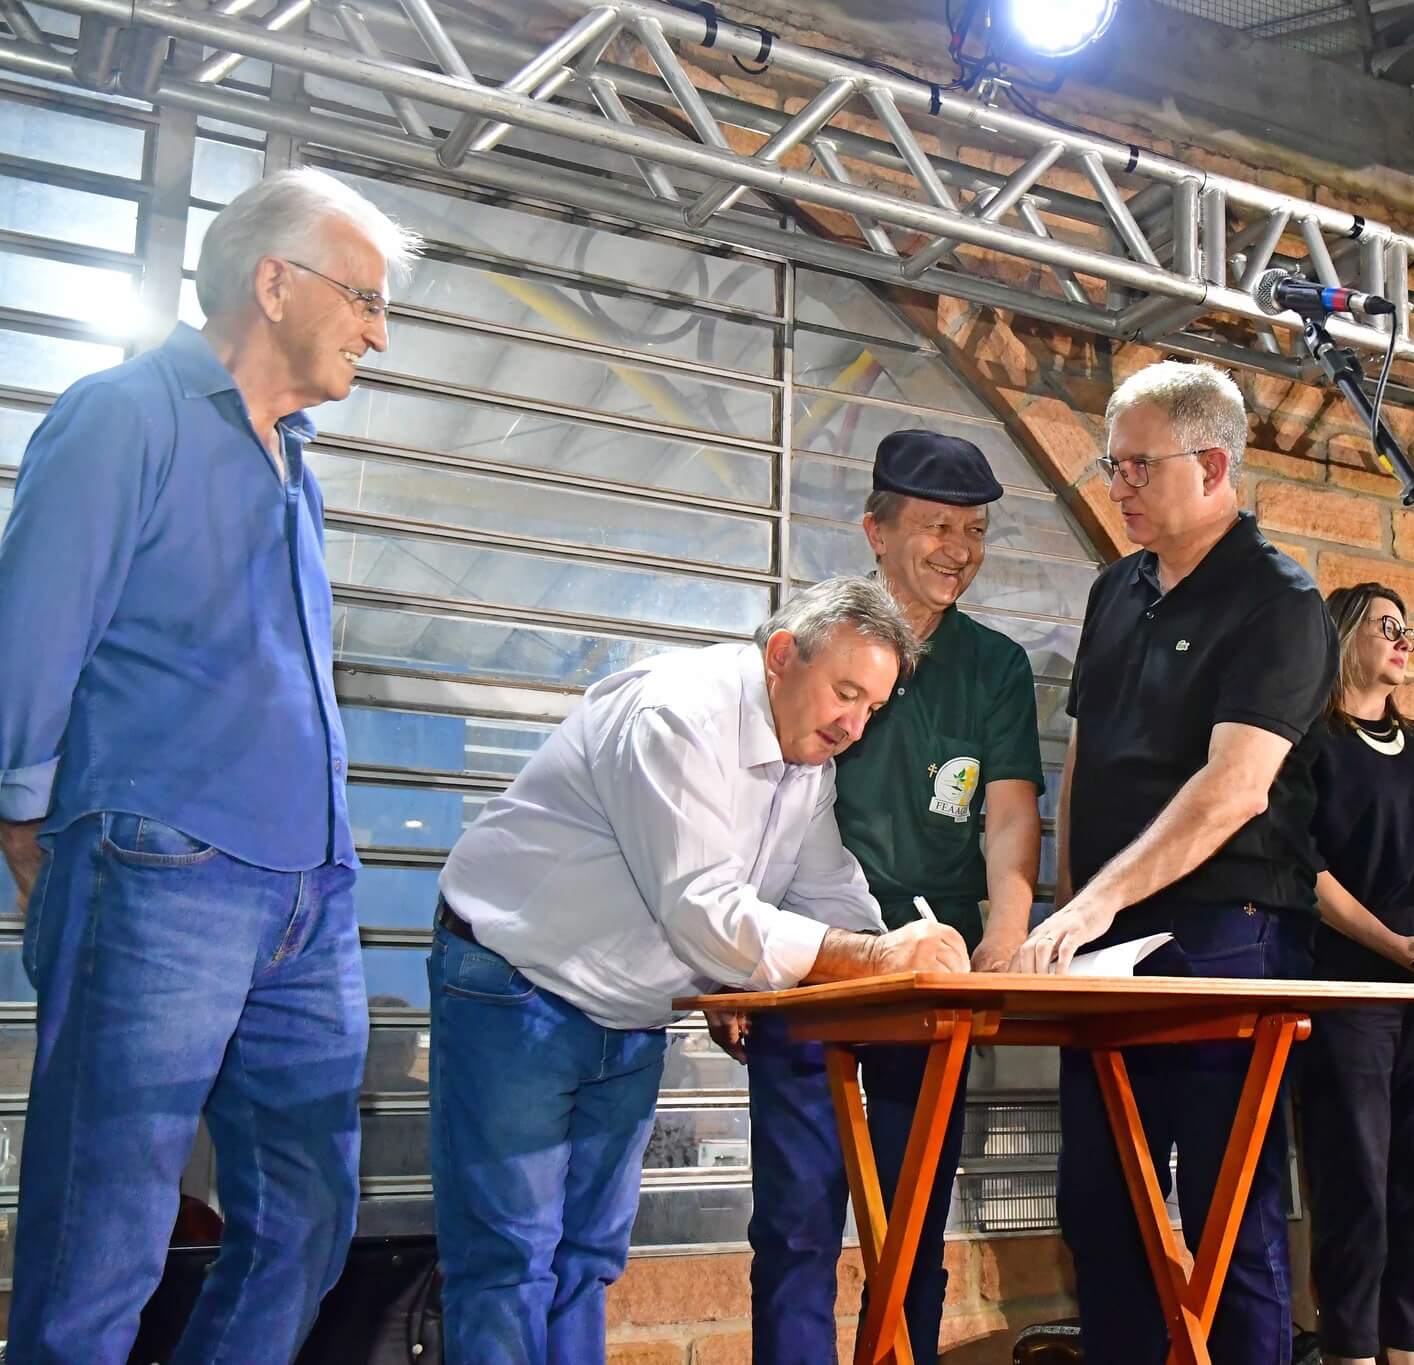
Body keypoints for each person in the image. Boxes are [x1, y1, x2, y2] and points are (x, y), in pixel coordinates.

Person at [0, 169, 419, 1362]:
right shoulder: (124, 415)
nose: (378, 333)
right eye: (363, 298)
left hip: (308, 893)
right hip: (158, 870)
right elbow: (32, 631)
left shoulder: (297, 468)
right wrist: (25, 819)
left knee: (307, 1222)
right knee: (102, 1236)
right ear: (273, 283)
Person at [428, 577, 970, 1364]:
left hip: (629, 1011)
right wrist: (874, 957)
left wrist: (901, 957)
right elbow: (701, 907)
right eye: (846, 693)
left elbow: (826, 890)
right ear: (781, 655)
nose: (854, 726)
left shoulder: (807, 762)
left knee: (586, 1259)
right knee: (507, 1261)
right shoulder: (678, 715)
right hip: (515, 985)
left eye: (872, 708)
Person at [1012, 360, 1337, 1363]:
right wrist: (1069, 903)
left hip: (1225, 933)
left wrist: (1092, 903)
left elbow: (1234, 787)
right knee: (1098, 1202)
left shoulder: (1279, 600)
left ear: (1212, 465)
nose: (1118, 487)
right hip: (1105, 940)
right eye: (1112, 466)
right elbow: (1085, 758)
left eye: (1137, 467)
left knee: (1226, 1213)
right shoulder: (1115, 589)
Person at [734, 432, 1045, 1364]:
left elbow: (1010, 813)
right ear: (876, 530)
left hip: (928, 966)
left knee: (910, 1222)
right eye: (937, 526)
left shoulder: (995, 666)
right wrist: (739, 959)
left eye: (975, 530)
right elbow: (749, 798)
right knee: (796, 1219)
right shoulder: (811, 638)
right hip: (805, 960)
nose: (959, 549)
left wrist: (1004, 941)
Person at [1297, 582, 1414, 1365]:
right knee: (1355, 1171)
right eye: (1388, 626)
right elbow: (1303, 866)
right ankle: (1349, 1348)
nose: (1406, 640)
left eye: (1409, 628)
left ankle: (1411, 1348)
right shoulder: (1310, 745)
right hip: (1352, 973)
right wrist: (1392, 944)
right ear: (1343, 636)